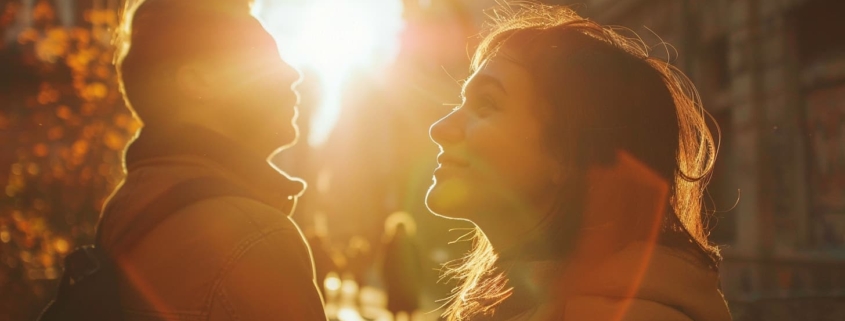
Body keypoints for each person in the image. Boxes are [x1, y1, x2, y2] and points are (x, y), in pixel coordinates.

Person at [425, 2, 732, 321]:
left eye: (486, 104)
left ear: (568, 153)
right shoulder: (513, 301)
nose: (439, 129)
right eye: (463, 102)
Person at [95, 0, 326, 319]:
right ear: (197, 82)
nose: (291, 73)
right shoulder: (256, 237)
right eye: (257, 58)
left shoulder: (125, 212)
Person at [380, 214, 423, 320]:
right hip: (395, 284)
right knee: (395, 311)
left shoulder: (412, 245)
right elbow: (385, 264)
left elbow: (419, 265)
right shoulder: (389, 244)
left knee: (410, 311)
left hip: (409, 284)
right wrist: (387, 278)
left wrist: (418, 280)